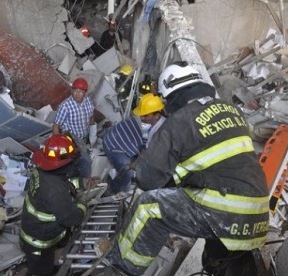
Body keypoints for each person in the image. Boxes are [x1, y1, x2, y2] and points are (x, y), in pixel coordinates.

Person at [106, 61, 270, 275]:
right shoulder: (231, 110)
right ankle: (214, 265)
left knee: (148, 207)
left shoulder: (179, 120)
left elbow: (147, 179)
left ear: (171, 97)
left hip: (225, 206)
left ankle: (121, 268)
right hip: (257, 213)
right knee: (215, 254)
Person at [20, 134, 87, 276]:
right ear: (64, 164)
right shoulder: (55, 191)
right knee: (40, 272)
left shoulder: (41, 171)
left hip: (32, 230)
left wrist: (81, 185)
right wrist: (82, 205)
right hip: (39, 243)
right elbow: (72, 218)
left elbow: (65, 184)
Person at [102, 93, 165, 194]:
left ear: (157, 115)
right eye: (142, 114)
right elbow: (146, 153)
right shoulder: (148, 124)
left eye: (146, 115)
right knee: (128, 172)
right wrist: (136, 164)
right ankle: (114, 190)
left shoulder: (159, 130)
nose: (142, 117)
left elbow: (146, 152)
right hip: (113, 144)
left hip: (121, 140)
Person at [53, 77, 95, 181]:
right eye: (75, 91)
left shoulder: (88, 102)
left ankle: (75, 175)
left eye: (80, 91)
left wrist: (93, 135)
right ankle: (86, 184)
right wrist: (58, 143)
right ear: (72, 90)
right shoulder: (65, 106)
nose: (77, 94)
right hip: (70, 136)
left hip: (83, 136)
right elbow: (56, 125)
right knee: (85, 160)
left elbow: (91, 118)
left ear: (85, 92)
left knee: (78, 158)